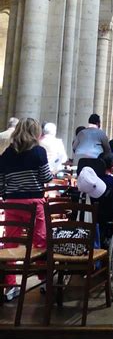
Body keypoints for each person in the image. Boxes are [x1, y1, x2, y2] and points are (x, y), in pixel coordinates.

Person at [0, 118, 53, 300]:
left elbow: (0, 183)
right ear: (35, 132)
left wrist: (8, 193)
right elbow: (46, 177)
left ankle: (10, 284)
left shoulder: (7, 154)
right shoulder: (38, 152)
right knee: (41, 242)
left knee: (10, 243)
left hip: (12, 204)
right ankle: (44, 279)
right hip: (33, 203)